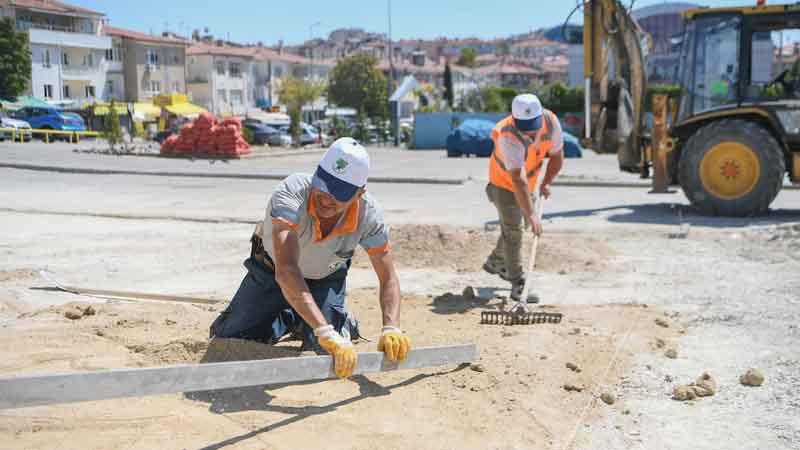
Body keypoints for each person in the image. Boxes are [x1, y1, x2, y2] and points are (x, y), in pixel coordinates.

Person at [210, 137, 411, 378]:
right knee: (230, 338)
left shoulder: (369, 215)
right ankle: (293, 317)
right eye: (323, 185)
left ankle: (339, 322)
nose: (326, 198)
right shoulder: (292, 191)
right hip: (272, 271)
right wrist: (324, 330)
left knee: (324, 354)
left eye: (338, 193)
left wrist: (392, 327)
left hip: (324, 277)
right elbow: (286, 269)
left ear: (359, 193)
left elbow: (388, 277)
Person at [483, 94, 565, 302]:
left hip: (528, 183)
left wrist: (547, 182)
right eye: (524, 125)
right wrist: (531, 214)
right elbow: (517, 180)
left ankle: (496, 261)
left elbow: (557, 156)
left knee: (518, 228)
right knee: (515, 232)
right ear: (514, 118)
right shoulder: (508, 135)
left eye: (532, 124)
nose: (529, 130)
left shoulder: (551, 122)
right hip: (503, 185)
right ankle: (519, 283)